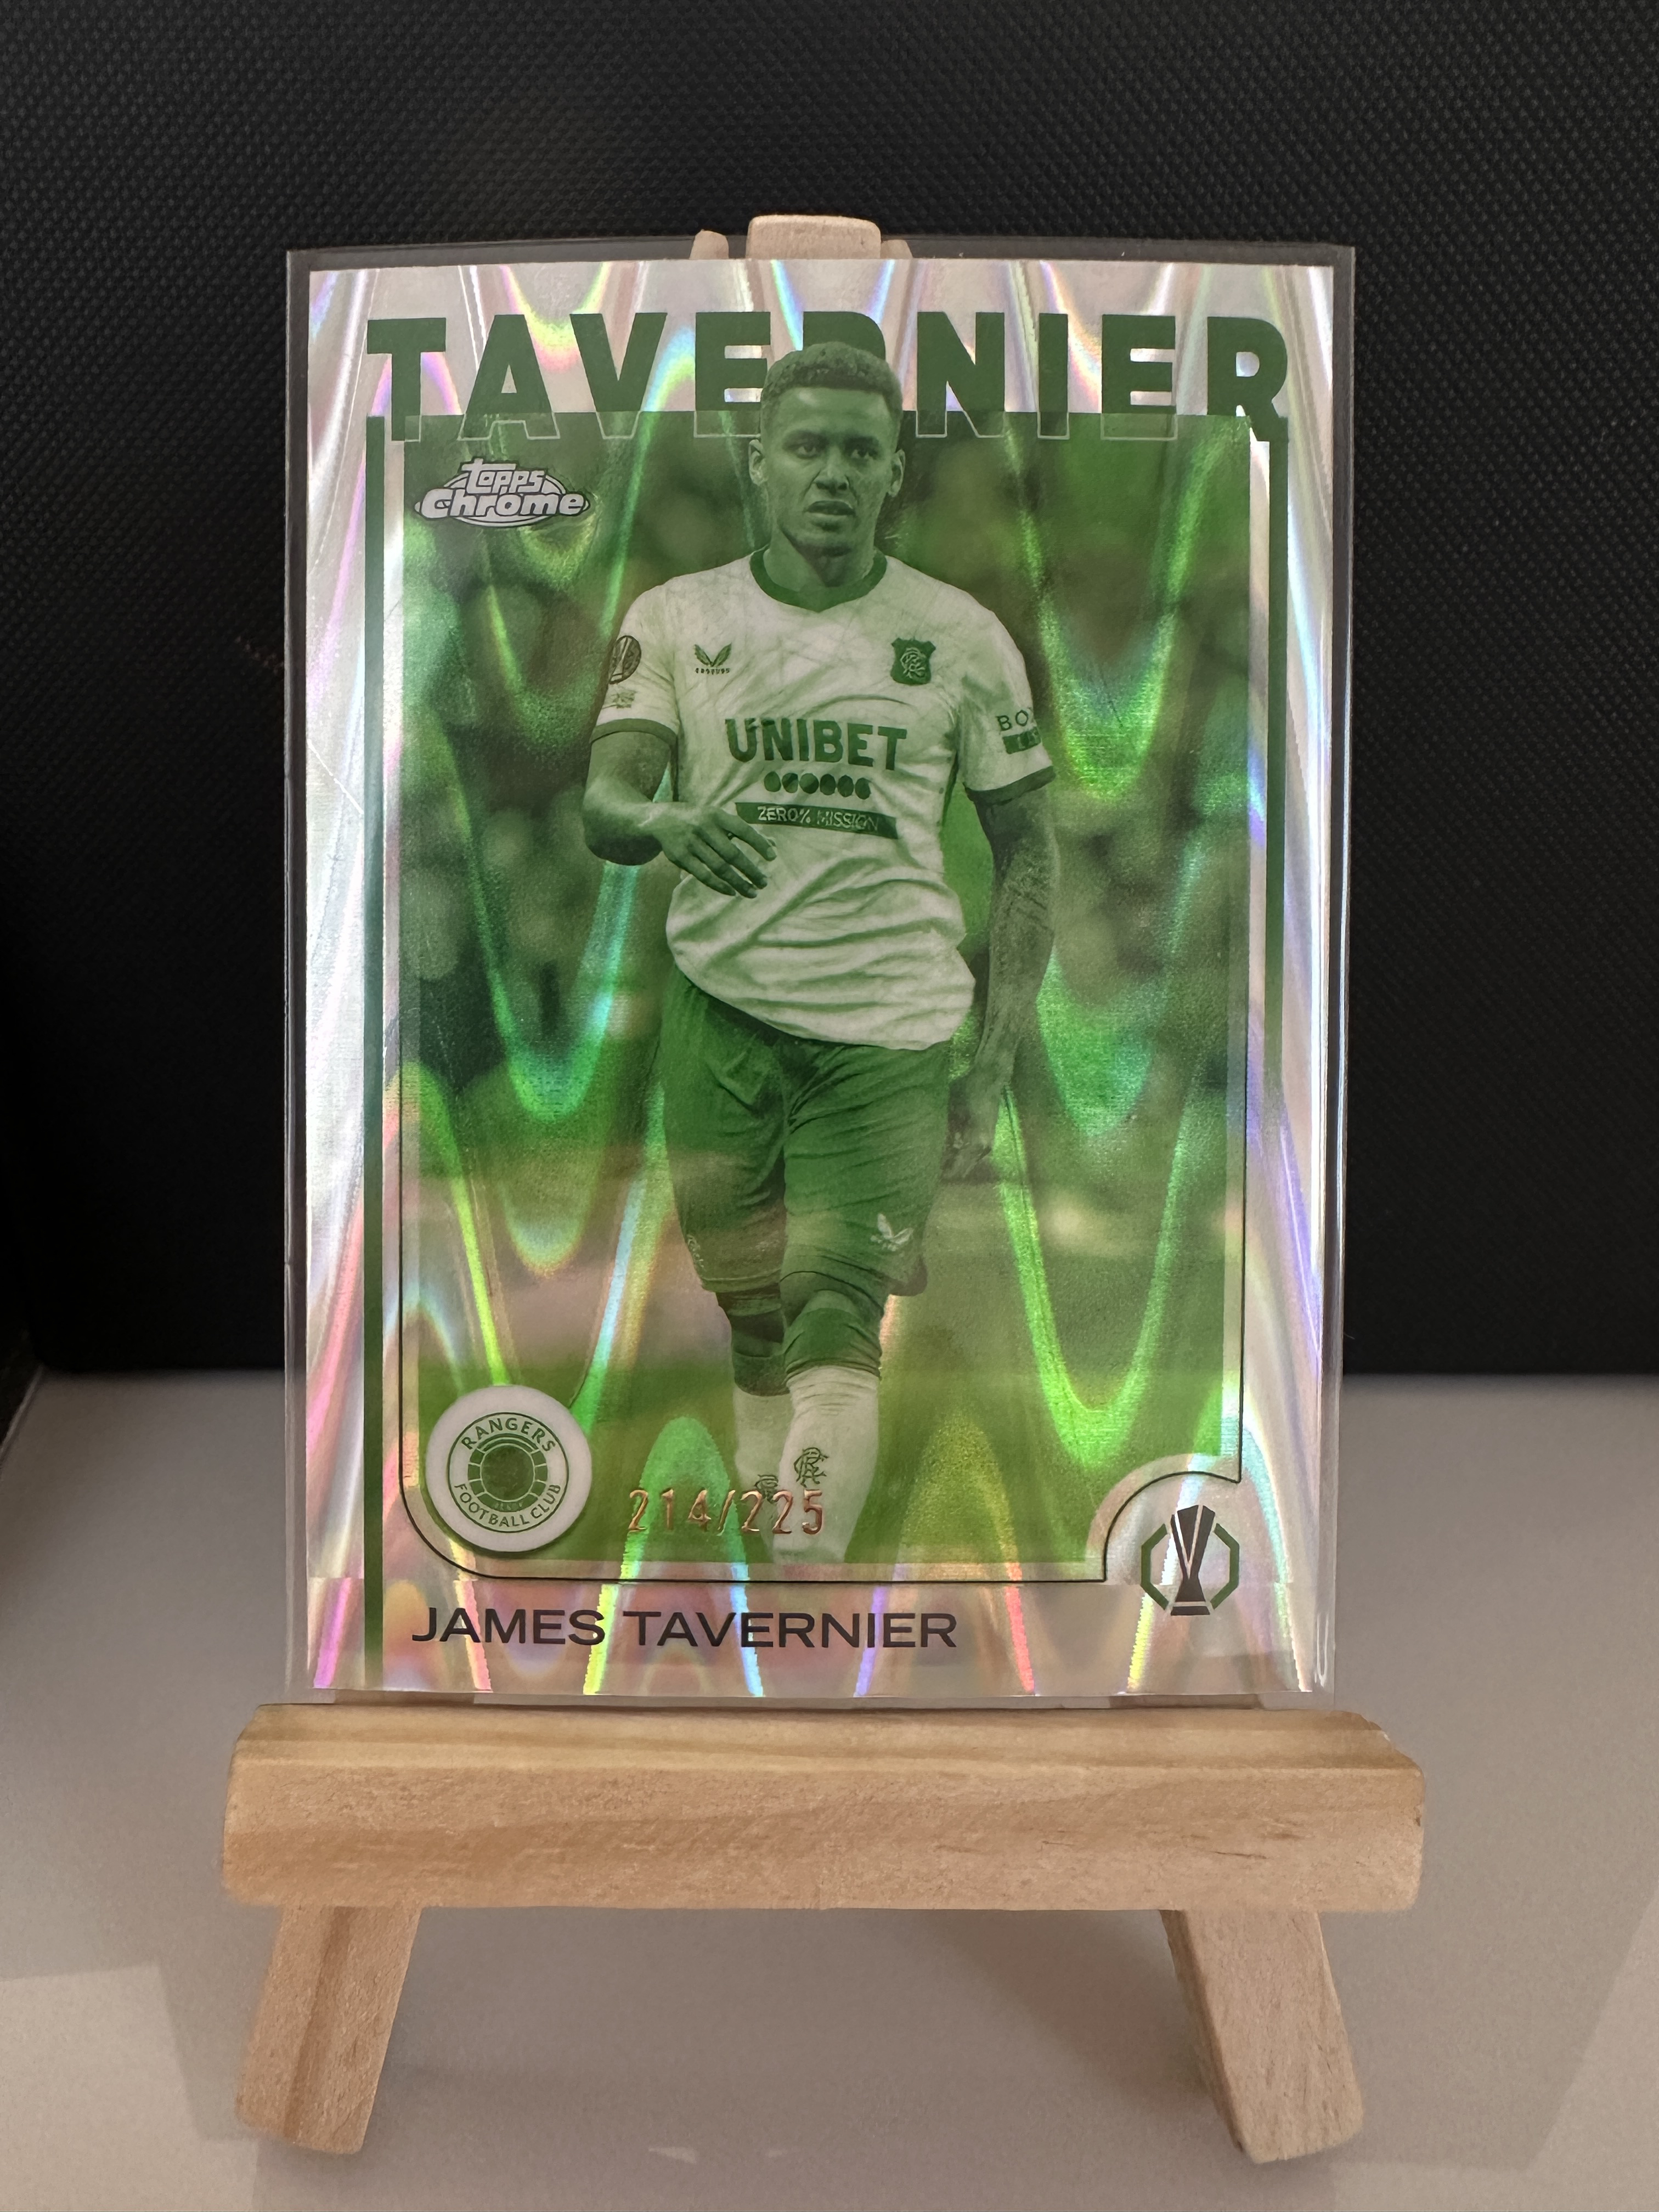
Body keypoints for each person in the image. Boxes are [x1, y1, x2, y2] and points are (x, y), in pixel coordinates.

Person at [584, 342, 1056, 1562]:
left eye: (860, 450)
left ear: (895, 471)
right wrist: (664, 821)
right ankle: (777, 1559)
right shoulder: (679, 617)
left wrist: (994, 1062)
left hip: (888, 1034)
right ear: (760, 463)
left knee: (835, 1315)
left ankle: (806, 1579)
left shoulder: (958, 636)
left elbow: (1031, 855)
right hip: (723, 1008)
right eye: (807, 447)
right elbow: (607, 800)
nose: (833, 473)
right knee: (752, 1319)